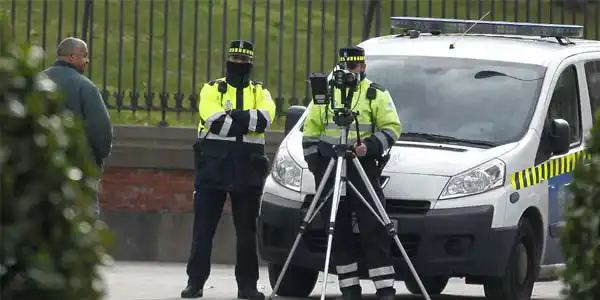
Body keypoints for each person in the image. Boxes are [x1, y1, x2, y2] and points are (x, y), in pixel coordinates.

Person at [302, 46, 402, 300]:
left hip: (362, 165)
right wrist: (316, 162)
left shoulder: (375, 94)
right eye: (348, 67)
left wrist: (368, 147)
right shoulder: (326, 93)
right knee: (337, 229)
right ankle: (349, 287)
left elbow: (392, 127)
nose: (352, 72)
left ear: (364, 67)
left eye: (357, 67)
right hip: (330, 165)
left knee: (375, 226)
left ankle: (384, 288)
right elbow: (311, 128)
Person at [181, 40, 276, 299]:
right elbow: (213, 121)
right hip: (214, 168)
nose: (240, 65)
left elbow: (266, 118)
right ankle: (195, 283)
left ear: (251, 64)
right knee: (203, 229)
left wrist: (234, 117)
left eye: (245, 61)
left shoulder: (260, 91)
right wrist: (247, 120)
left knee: (246, 232)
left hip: (248, 169)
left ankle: (247, 287)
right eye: (236, 60)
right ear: (228, 61)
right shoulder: (211, 89)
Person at [42, 37, 113, 220]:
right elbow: (102, 131)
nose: (87, 60)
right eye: (84, 56)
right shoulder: (85, 87)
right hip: (78, 172)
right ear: (72, 57)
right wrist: (96, 159)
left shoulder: (38, 81)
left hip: (41, 171)